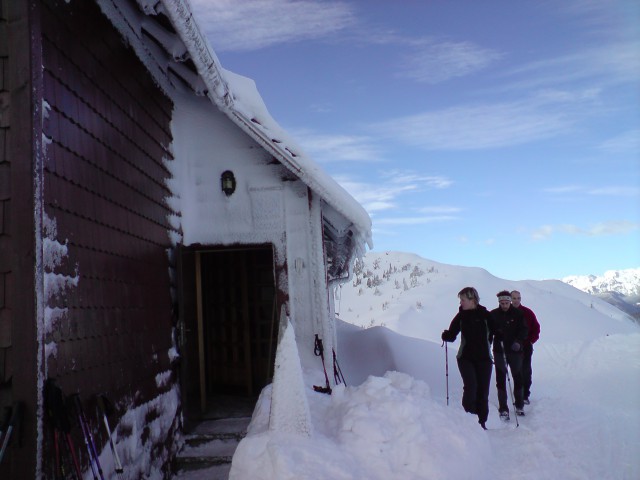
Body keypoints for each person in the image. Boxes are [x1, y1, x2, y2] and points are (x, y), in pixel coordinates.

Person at [441, 287, 494, 430]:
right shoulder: (461, 317)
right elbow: (452, 335)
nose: (461, 303)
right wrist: (446, 335)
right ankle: (469, 420)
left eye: (463, 300)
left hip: (484, 359)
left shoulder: (485, 315)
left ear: (473, 300)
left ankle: (481, 422)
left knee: (483, 391)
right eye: (461, 300)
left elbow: (496, 331)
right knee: (471, 387)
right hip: (465, 357)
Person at [490, 290, 528, 419]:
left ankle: (519, 405)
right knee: (500, 377)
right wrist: (495, 334)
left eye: (507, 302)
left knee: (517, 376)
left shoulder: (518, 314)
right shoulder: (494, 314)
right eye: (502, 303)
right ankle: (503, 407)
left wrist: (518, 341)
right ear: (499, 302)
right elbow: (490, 331)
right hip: (499, 349)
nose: (505, 305)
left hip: (515, 350)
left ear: (510, 301)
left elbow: (524, 329)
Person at [511, 290, 540, 404]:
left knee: (525, 371)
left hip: (525, 347)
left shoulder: (527, 312)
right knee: (515, 371)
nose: (516, 300)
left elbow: (536, 328)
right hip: (510, 348)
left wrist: (531, 341)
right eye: (514, 298)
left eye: (518, 298)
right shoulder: (506, 312)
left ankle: (524, 395)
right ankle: (517, 394)